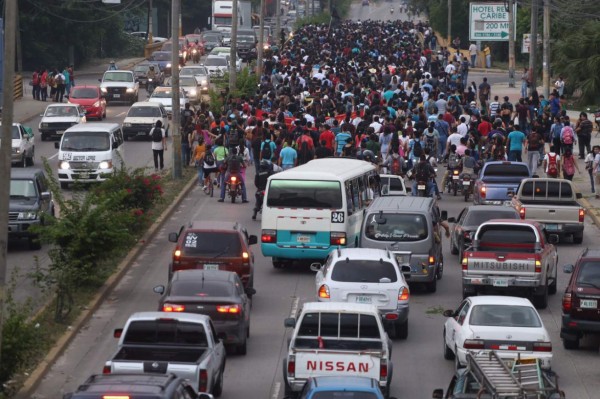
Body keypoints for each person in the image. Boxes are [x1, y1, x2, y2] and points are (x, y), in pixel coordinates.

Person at [253, 148, 282, 219]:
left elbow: (256, 182)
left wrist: (259, 187)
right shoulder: (270, 172)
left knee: (258, 200)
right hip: (268, 190)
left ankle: (255, 211)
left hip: (260, 190)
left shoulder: (258, 173)